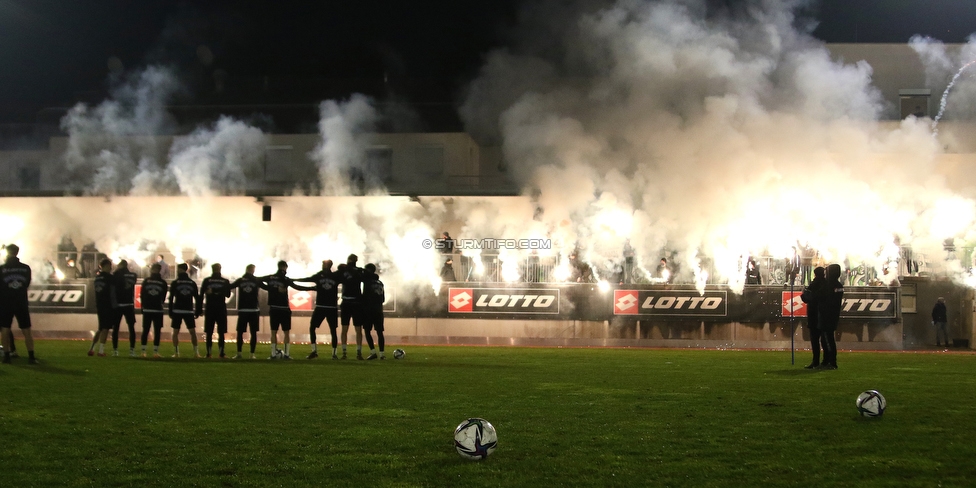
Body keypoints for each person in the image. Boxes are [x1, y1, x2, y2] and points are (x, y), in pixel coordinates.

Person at [261, 260, 314, 359]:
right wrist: (312, 288)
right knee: (286, 332)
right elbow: (297, 287)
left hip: (274, 308)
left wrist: (270, 288)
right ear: (285, 267)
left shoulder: (270, 277)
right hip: (284, 308)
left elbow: (258, 281)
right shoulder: (285, 279)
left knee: (273, 331)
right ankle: (286, 354)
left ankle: (273, 354)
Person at [295, 259, 340, 359]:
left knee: (315, 328)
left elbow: (307, 279)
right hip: (330, 307)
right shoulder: (335, 276)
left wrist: (293, 280)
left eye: (324, 264)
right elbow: (308, 279)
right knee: (332, 330)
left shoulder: (323, 275)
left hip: (322, 306)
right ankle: (333, 353)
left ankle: (316, 351)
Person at [0, 244, 37, 364]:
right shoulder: (26, 268)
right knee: (26, 330)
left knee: (5, 329)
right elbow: (26, 284)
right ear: (17, 252)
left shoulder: (2, 268)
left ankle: (7, 356)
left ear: (7, 252)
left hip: (5, 303)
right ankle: (31, 357)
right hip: (21, 302)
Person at [229, 264, 265, 359]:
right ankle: (251, 354)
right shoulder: (256, 280)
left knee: (240, 332)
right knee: (253, 333)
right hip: (253, 309)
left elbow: (230, 286)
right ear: (252, 270)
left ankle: (239, 353)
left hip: (243, 309)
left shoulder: (241, 280)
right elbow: (267, 288)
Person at [199, 263, 231, 358]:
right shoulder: (225, 281)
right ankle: (221, 353)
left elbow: (201, 295)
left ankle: (209, 353)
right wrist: (219, 292)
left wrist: (199, 309)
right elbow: (228, 294)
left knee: (209, 332)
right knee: (221, 332)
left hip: (210, 308)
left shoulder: (207, 280)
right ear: (220, 269)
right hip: (221, 308)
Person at [169, 263, 200, 358]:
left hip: (178, 310)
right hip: (189, 310)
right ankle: (196, 353)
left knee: (175, 332)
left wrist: (170, 310)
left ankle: (176, 353)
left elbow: (171, 298)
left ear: (180, 270)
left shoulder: (175, 283)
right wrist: (198, 310)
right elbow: (197, 298)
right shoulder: (192, 283)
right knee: (192, 332)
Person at [339, 254, 367, 359]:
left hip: (347, 302)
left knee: (345, 328)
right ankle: (358, 352)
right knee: (358, 329)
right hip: (356, 303)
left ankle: (345, 352)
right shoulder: (359, 271)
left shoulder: (345, 270)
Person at [817, 263, 844, 370]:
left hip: (829, 315)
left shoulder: (833, 285)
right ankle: (826, 361)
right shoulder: (834, 285)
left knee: (828, 339)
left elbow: (827, 299)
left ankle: (832, 362)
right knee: (825, 339)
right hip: (829, 314)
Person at [139, 263, 168, 358]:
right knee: (153, 330)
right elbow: (163, 296)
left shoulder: (147, 281)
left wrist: (143, 306)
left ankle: (147, 351)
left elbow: (142, 294)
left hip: (149, 308)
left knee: (149, 330)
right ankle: (151, 351)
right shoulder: (162, 282)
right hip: (156, 309)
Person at [87, 258, 115, 357]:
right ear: (106, 266)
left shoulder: (97, 278)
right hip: (107, 305)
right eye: (109, 266)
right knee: (106, 328)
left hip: (99, 304)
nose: (111, 268)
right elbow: (113, 292)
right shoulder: (109, 278)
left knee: (100, 328)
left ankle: (92, 348)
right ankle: (101, 351)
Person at [800, 267, 825, 369]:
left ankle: (815, 361)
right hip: (823, 315)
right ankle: (826, 360)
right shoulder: (826, 284)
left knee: (815, 341)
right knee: (824, 340)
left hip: (814, 315)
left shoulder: (814, 284)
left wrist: (803, 293)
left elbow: (807, 298)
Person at [111, 260, 138, 356]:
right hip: (129, 304)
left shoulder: (116, 275)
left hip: (119, 304)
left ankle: (115, 350)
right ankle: (132, 350)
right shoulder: (133, 275)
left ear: (121, 265)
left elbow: (114, 285)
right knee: (131, 328)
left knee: (116, 328)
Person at [362, 263, 386, 360]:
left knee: (367, 331)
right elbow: (383, 299)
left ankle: (373, 352)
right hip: (379, 310)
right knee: (380, 332)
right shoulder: (380, 283)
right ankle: (382, 354)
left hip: (369, 310)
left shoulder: (367, 281)